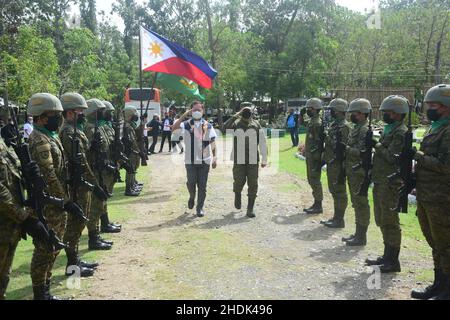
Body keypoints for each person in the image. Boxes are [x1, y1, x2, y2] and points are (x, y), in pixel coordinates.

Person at [27, 93, 84, 300]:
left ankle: (46, 292)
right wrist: (65, 201)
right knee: (45, 250)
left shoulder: (49, 136)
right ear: (42, 117)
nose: (58, 119)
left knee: (53, 247)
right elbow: (49, 175)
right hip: (49, 204)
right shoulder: (39, 140)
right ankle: (40, 293)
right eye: (54, 115)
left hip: (57, 202)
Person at [411, 84, 450, 300]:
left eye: (433, 105)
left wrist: (419, 157)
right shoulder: (435, 127)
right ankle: (438, 284)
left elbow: (446, 166)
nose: (429, 108)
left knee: (445, 243)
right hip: (427, 196)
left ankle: (447, 290)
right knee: (434, 242)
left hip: (442, 198)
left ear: (445, 106)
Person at [366, 95, 409, 273]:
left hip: (390, 182)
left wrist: (376, 145)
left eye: (388, 112)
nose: (385, 115)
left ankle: (393, 260)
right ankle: (386, 256)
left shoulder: (401, 132)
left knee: (390, 220)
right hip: (380, 180)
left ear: (398, 114)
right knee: (381, 218)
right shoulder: (389, 129)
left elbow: (392, 156)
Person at [59, 93, 100, 277]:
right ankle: (72, 266)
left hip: (83, 183)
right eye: (79, 111)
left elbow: (84, 156)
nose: (83, 114)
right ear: (69, 113)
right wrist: (93, 182)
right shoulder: (68, 131)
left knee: (80, 221)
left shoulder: (76, 129)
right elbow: (79, 161)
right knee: (75, 224)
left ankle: (75, 260)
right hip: (76, 185)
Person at [172, 101, 217, 217]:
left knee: (202, 185)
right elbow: (174, 128)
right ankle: (192, 196)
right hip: (190, 159)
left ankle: (200, 207)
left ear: (203, 111)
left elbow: (213, 142)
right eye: (194, 110)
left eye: (199, 110)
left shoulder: (208, 125)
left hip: (205, 160)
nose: (197, 112)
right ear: (191, 111)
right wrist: (183, 115)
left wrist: (215, 158)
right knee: (191, 182)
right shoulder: (186, 124)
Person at [223, 105, 268, 218]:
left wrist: (264, 158)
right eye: (245, 111)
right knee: (238, 181)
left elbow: (262, 141)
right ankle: (237, 194)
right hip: (239, 158)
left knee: (253, 183)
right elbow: (224, 129)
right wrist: (235, 116)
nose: (247, 113)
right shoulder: (236, 124)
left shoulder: (256, 125)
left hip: (253, 159)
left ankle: (250, 208)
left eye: (248, 111)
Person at [83, 99, 113, 250]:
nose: (102, 113)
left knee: (101, 201)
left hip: (100, 168)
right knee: (95, 205)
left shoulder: (96, 126)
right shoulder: (89, 128)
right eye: (99, 111)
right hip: (93, 170)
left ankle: (97, 234)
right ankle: (93, 238)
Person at [342, 98, 372, 247]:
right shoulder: (357, 128)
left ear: (361, 113)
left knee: (360, 203)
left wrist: (346, 149)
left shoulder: (364, 130)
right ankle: (358, 233)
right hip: (353, 171)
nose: (352, 116)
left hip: (359, 172)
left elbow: (361, 152)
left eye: (354, 113)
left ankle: (361, 236)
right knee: (356, 202)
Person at [321, 98, 351, 228]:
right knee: (333, 190)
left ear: (338, 111)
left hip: (338, 165)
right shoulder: (334, 125)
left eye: (332, 110)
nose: (330, 112)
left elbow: (343, 148)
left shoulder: (344, 127)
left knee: (339, 191)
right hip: (331, 163)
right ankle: (336, 217)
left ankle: (339, 219)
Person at [100, 101, 122, 234]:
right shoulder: (94, 128)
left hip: (110, 165)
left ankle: (105, 222)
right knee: (100, 198)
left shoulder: (105, 127)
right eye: (109, 112)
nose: (110, 115)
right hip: (102, 168)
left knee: (105, 196)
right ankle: (101, 226)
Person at [301, 98, 324, 214]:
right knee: (311, 179)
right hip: (311, 155)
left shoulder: (317, 123)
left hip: (315, 157)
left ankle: (318, 204)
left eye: (309, 109)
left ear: (314, 109)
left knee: (314, 179)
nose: (307, 111)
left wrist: (315, 156)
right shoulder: (312, 121)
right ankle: (316, 203)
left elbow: (318, 142)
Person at [122, 106, 142, 196]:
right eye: (133, 115)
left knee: (133, 168)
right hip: (130, 152)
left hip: (133, 151)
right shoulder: (127, 127)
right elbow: (132, 141)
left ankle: (132, 185)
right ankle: (128, 189)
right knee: (130, 169)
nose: (135, 117)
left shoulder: (130, 125)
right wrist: (137, 150)